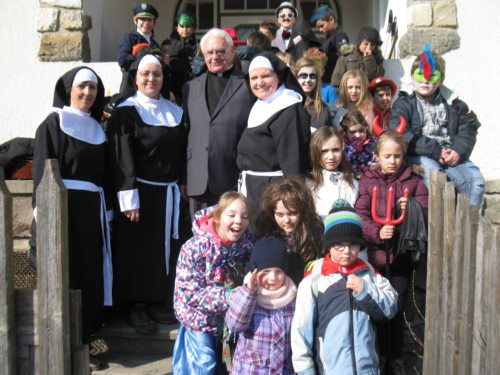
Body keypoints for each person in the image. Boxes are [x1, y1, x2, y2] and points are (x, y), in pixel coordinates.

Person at [32, 67, 110, 371]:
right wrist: (43, 214)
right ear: (69, 90)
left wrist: (109, 216)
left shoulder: (99, 129)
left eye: (93, 88)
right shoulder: (52, 124)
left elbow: (105, 177)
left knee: (90, 274)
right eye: (82, 87)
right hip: (62, 208)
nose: (88, 93)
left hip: (92, 210)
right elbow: (42, 172)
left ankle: (87, 338)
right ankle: (63, 341)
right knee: (66, 273)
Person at [106, 54, 186, 334]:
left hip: (169, 194)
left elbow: (182, 153)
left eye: (157, 74)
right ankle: (137, 306)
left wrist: (184, 184)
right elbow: (120, 157)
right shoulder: (126, 111)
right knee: (139, 251)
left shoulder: (175, 111)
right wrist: (129, 196)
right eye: (145, 74)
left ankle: (159, 301)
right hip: (139, 193)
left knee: (164, 251)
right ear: (135, 78)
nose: (151, 79)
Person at [291, 201, 398, 375]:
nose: (346, 251)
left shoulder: (368, 272)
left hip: (368, 369)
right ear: (328, 246)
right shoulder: (315, 278)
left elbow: (390, 308)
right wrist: (305, 368)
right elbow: (300, 329)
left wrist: (365, 291)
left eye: (353, 244)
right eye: (338, 245)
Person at [354, 131, 428, 374]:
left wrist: (412, 209)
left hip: (400, 260)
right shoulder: (367, 181)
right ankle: (377, 356)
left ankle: (394, 358)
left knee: (394, 308)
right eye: (387, 156)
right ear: (377, 156)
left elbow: (425, 217)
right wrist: (377, 232)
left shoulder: (414, 183)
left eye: (397, 156)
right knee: (375, 308)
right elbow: (361, 215)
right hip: (375, 259)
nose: (392, 161)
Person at [389, 45, 485, 207]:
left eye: (432, 76)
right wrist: (435, 150)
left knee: (475, 182)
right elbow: (401, 132)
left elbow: (468, 126)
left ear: (441, 80)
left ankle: (466, 229)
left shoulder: (454, 103)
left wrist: (458, 150)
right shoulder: (403, 104)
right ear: (412, 77)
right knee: (436, 180)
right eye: (420, 75)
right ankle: (436, 230)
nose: (425, 80)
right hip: (420, 155)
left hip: (451, 154)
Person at [173, 192, 254, 374]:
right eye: (231, 215)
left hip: (232, 321)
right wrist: (230, 296)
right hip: (199, 320)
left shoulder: (247, 246)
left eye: (245, 217)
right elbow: (191, 293)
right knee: (204, 365)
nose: (238, 221)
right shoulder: (194, 247)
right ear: (218, 217)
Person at [183, 28, 255, 217]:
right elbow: (186, 132)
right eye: (210, 52)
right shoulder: (190, 88)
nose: (215, 57)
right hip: (198, 180)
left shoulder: (247, 85)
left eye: (221, 51)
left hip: (231, 175)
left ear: (231, 52)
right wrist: (183, 178)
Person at [236, 52, 310, 215]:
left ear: (279, 77)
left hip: (274, 194)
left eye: (266, 76)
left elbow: (293, 162)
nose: (259, 82)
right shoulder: (259, 105)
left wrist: (290, 204)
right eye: (254, 78)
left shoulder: (289, 108)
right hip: (252, 188)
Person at [225, 236, 296, 374]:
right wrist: (249, 293)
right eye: (266, 272)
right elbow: (234, 324)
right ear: (255, 273)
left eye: (278, 272)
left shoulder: (292, 297)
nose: (272, 278)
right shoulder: (246, 295)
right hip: (251, 370)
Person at [253, 177, 323, 286]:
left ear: (303, 211)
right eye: (280, 215)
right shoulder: (265, 235)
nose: (286, 220)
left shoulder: (314, 233)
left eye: (292, 214)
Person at [308, 126, 358, 219]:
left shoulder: (353, 183)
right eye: (324, 151)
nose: (331, 156)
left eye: (335, 150)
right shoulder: (308, 184)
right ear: (315, 152)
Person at [117, 3, 168, 94]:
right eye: (142, 19)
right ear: (135, 20)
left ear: (154, 22)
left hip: (151, 89)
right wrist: (147, 56)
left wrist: (163, 61)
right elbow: (122, 60)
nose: (146, 23)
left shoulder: (154, 44)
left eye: (149, 20)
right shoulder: (129, 38)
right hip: (131, 87)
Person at [161, 12, 198, 104]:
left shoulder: (199, 47)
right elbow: (162, 70)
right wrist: (166, 91)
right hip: (173, 93)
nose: (185, 29)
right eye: (182, 26)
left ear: (193, 28)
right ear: (177, 27)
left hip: (193, 91)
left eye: (188, 26)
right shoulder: (167, 45)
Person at [310, 4, 349, 85]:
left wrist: (323, 54)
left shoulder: (339, 35)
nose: (320, 30)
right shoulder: (329, 37)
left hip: (334, 83)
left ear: (331, 19)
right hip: (327, 81)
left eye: (322, 26)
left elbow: (343, 56)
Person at [293, 56, 332, 131]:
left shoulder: (323, 109)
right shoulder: (288, 104)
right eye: (303, 76)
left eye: (312, 76)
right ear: (295, 77)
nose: (308, 80)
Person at [340, 108, 377, 178]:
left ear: (366, 128)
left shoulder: (375, 144)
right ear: (345, 132)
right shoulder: (342, 147)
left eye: (361, 130)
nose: (358, 135)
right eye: (352, 132)